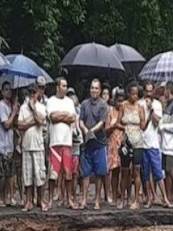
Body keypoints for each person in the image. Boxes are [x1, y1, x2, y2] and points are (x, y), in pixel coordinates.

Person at [46, 77, 78, 210]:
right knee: (53, 173)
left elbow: (73, 118)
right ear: (58, 87)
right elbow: (52, 117)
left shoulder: (70, 102)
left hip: (67, 142)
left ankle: (69, 199)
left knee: (68, 172)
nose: (65, 88)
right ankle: (50, 201)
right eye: (63, 86)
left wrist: (61, 116)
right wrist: (65, 116)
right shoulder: (51, 101)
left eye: (66, 86)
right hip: (55, 142)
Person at [79, 79, 110, 210]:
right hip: (87, 143)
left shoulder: (103, 105)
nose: (94, 90)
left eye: (96, 88)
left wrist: (92, 131)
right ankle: (84, 200)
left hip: (99, 142)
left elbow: (102, 123)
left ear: (100, 90)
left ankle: (97, 199)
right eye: (92, 88)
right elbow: (80, 120)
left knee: (99, 173)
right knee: (85, 173)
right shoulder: (85, 104)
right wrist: (85, 130)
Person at [141, 80, 172, 208]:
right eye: (147, 91)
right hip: (142, 143)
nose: (149, 94)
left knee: (158, 173)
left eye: (150, 91)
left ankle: (165, 198)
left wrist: (151, 110)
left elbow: (157, 123)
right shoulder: (139, 104)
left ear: (153, 91)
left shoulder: (157, 104)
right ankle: (150, 198)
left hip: (153, 143)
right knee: (146, 174)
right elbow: (141, 125)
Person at [17, 83, 48, 211]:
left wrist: (33, 109)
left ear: (37, 94)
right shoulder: (23, 108)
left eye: (34, 93)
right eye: (30, 93)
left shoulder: (41, 107)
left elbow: (40, 121)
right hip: (26, 145)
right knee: (27, 174)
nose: (32, 95)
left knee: (40, 174)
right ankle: (28, 201)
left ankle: (40, 200)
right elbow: (19, 125)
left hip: (38, 145)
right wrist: (32, 120)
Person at [119, 82, 146, 210]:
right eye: (132, 93)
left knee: (136, 170)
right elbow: (117, 122)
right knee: (124, 171)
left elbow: (143, 126)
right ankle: (124, 199)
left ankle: (136, 200)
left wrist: (147, 117)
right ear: (128, 93)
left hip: (138, 141)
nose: (134, 96)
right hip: (126, 140)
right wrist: (125, 128)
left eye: (136, 94)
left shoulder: (140, 107)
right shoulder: (123, 105)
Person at [0, 81, 19, 207]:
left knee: (10, 173)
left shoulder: (10, 106)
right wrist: (14, 112)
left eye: (10, 89)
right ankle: (0, 197)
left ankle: (10, 196)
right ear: (2, 91)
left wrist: (15, 111)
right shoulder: (1, 106)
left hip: (10, 144)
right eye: (6, 90)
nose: (8, 92)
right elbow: (6, 124)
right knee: (2, 175)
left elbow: (14, 124)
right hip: (2, 145)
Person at [159, 81, 173, 205]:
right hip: (165, 143)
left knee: (169, 168)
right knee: (166, 171)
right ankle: (168, 196)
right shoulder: (168, 105)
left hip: (171, 143)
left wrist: (163, 126)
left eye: (165, 90)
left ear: (169, 90)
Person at [106, 89, 125, 207]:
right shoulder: (110, 112)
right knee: (115, 171)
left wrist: (121, 127)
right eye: (118, 101)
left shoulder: (126, 112)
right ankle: (113, 196)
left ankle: (122, 196)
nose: (120, 104)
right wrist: (114, 126)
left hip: (123, 144)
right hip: (113, 144)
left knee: (125, 171)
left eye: (122, 101)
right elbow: (106, 130)